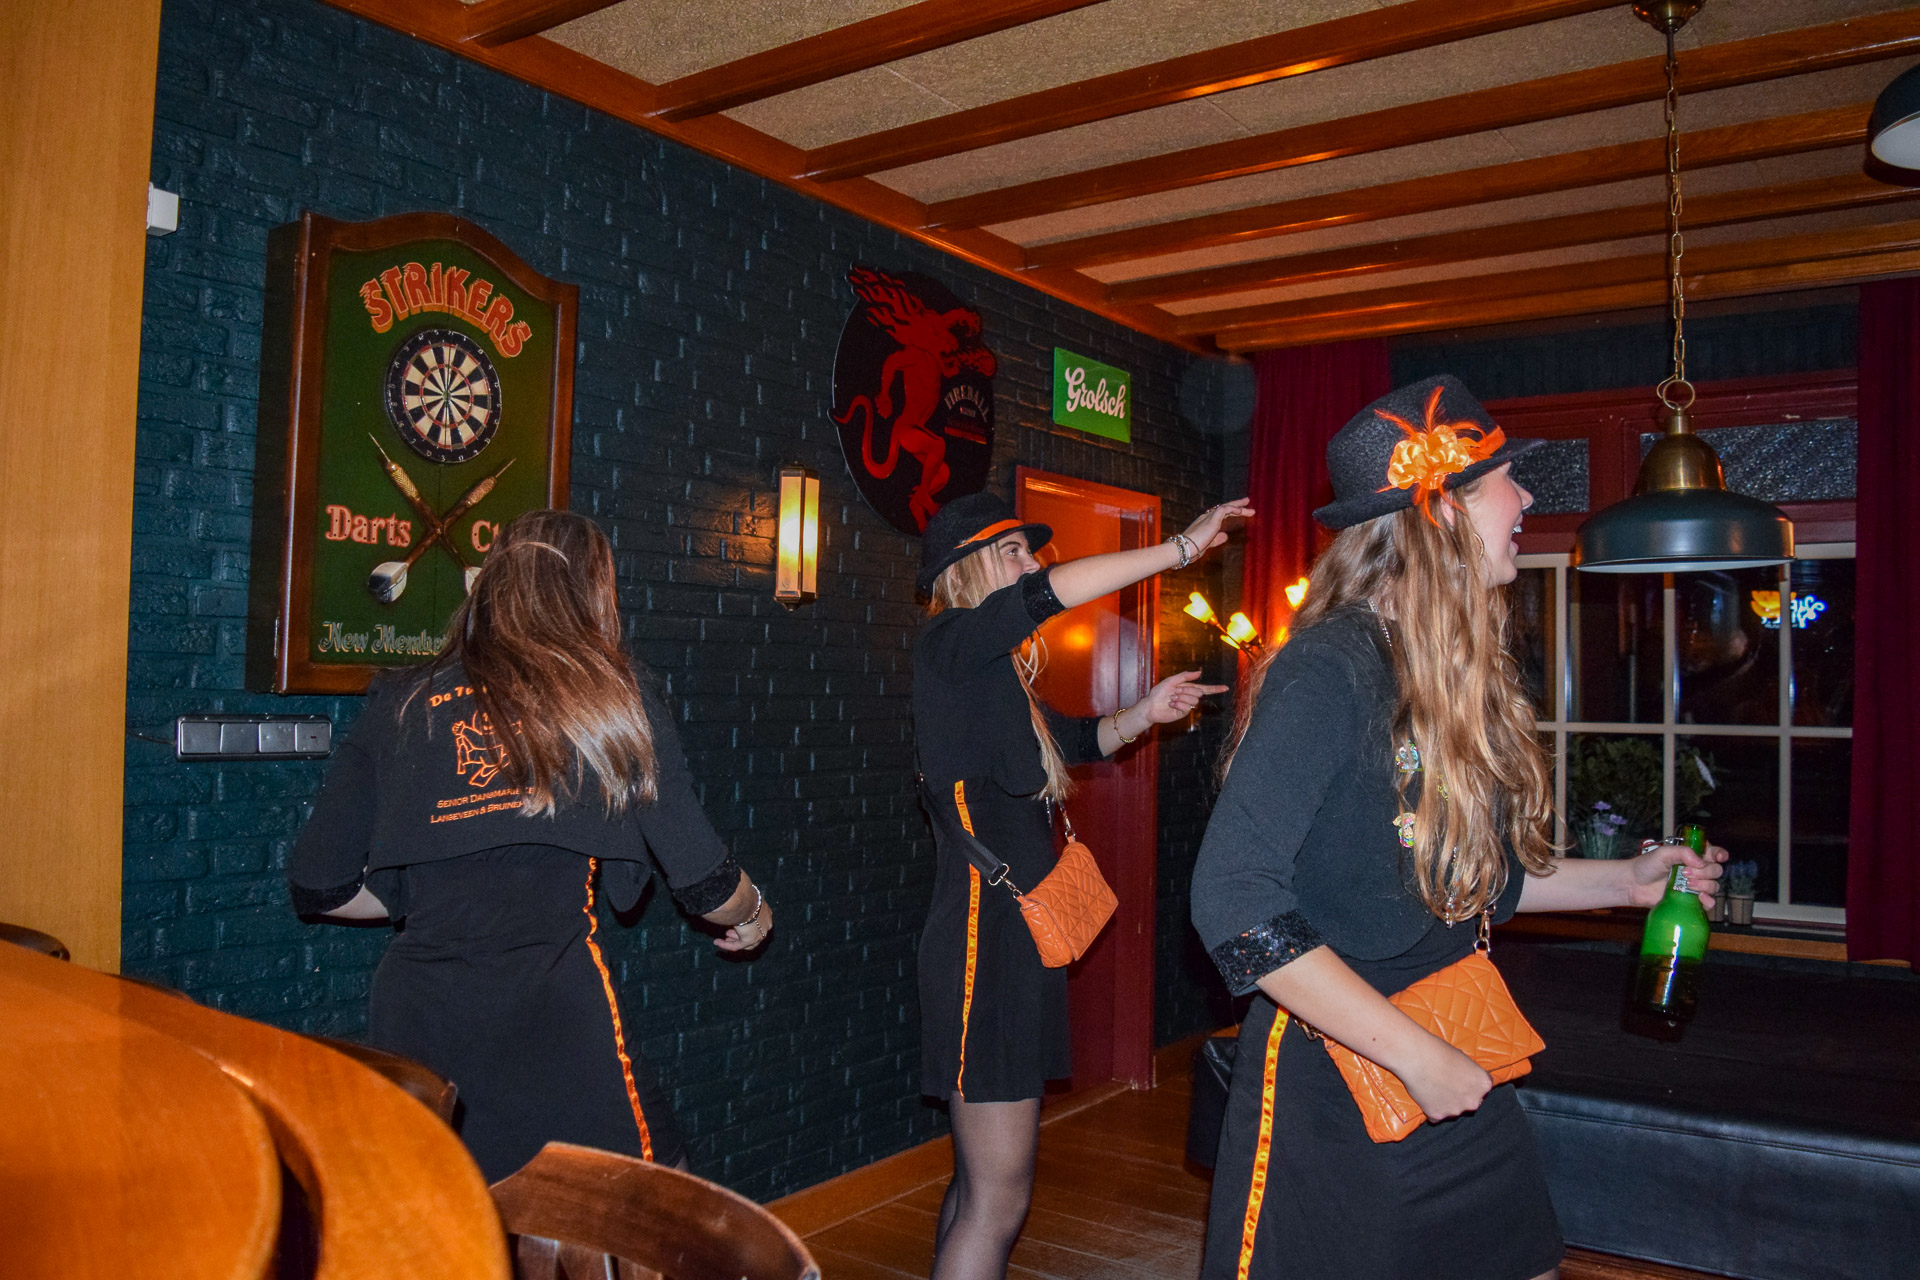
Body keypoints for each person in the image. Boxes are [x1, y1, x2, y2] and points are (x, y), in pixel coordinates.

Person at [1191, 375, 1727, 1280]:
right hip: (1344, 1078)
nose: (1528, 500)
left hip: (1453, 1049)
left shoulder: (1437, 669)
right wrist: (1416, 1058)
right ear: (1441, 511)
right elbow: (1232, 900)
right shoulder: (1330, 667)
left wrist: (1625, 884)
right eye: (1507, 481)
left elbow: (1475, 882)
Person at [286, 509, 771, 1182]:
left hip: (419, 1019)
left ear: (490, 583)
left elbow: (320, 885)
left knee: (451, 1215)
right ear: (596, 593)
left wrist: (423, 902)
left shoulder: (401, 699)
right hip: (554, 1017)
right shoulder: (613, 696)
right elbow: (707, 884)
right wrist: (754, 914)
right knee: (647, 1214)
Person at [913, 489, 1252, 1280]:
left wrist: (1144, 712)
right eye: (1015, 551)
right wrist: (1180, 549)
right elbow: (1045, 596)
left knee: (980, 1186)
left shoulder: (988, 669)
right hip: (985, 943)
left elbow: (1067, 741)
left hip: (1008, 938)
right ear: (969, 567)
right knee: (998, 1201)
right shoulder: (951, 641)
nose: (1032, 564)